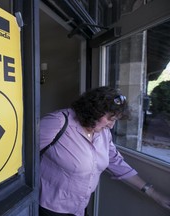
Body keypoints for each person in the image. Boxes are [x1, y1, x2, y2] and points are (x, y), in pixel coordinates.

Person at [39, 86, 170, 216]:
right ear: (93, 110)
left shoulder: (103, 132)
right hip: (50, 207)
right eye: (110, 119)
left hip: (78, 207)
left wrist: (153, 193)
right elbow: (24, 152)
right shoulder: (58, 122)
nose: (112, 125)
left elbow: (115, 161)